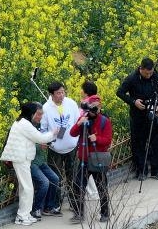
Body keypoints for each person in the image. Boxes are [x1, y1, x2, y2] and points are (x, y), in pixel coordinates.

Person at [0, 102, 58, 226]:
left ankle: (24, 215)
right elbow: (40, 138)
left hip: (23, 159)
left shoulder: (22, 122)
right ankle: (21, 216)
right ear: (31, 113)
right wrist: (53, 133)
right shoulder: (25, 124)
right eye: (38, 114)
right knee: (27, 188)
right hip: (21, 159)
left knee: (24, 188)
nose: (40, 116)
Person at [116, 57, 158, 180]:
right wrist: (133, 101)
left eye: (151, 73)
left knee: (157, 143)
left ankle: (156, 170)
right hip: (138, 116)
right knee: (138, 144)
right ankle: (141, 171)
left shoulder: (156, 77)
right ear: (141, 69)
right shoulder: (132, 78)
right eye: (146, 73)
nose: (149, 75)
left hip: (153, 115)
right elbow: (120, 92)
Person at [69, 94, 113, 223]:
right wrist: (79, 124)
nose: (95, 110)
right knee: (78, 186)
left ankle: (105, 213)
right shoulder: (83, 118)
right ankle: (79, 214)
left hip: (98, 159)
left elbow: (108, 141)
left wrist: (97, 139)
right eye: (92, 107)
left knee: (102, 187)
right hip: (84, 159)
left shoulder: (105, 121)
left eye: (97, 107)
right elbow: (72, 133)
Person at [40, 81, 80, 215]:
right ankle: (55, 205)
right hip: (55, 150)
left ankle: (75, 203)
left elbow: (77, 122)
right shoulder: (46, 108)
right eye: (58, 93)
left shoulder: (71, 103)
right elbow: (43, 129)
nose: (61, 95)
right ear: (51, 94)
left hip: (72, 148)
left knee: (73, 176)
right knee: (55, 178)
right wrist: (45, 140)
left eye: (63, 92)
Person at [30, 143, 61, 219]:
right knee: (44, 182)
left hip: (41, 162)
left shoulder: (38, 130)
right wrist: (39, 145)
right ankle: (36, 209)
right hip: (32, 163)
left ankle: (48, 208)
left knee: (55, 179)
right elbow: (27, 145)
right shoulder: (26, 131)